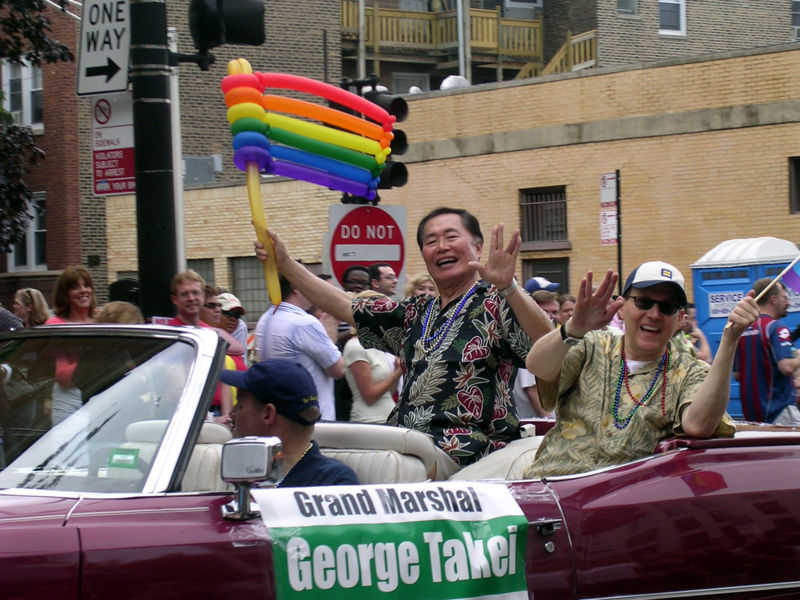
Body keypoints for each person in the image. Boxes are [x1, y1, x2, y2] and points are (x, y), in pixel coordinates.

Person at [256, 207, 553, 466]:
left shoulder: (499, 301)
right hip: (405, 443)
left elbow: (549, 344)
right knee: (321, 448)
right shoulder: (415, 312)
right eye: (431, 241)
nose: (441, 247)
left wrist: (509, 288)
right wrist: (287, 265)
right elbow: (347, 305)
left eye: (451, 237)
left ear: (478, 248)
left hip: (471, 451)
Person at [524, 262, 759, 478]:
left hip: (613, 503)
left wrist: (729, 340)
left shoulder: (689, 371)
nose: (654, 314)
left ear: (679, 319)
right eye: (643, 302)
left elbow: (698, 425)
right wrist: (573, 327)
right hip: (546, 488)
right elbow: (537, 366)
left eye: (667, 307)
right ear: (622, 308)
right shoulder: (590, 345)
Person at [222, 359, 359, 487]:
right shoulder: (241, 471)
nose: (232, 413)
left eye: (240, 405)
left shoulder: (333, 483)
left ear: (268, 415)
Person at [255, 275, 345, 421]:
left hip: (282, 415)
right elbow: (338, 370)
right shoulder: (304, 323)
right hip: (313, 419)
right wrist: (330, 333)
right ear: (295, 286)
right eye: (307, 281)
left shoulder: (265, 319)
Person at [734, 279, 800, 426]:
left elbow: (737, 374)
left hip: (752, 417)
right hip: (780, 412)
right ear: (773, 299)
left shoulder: (741, 330)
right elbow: (786, 366)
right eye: (784, 297)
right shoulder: (776, 327)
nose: (788, 303)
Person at [44, 266, 98, 426]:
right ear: (64, 294)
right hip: (67, 397)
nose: (83, 291)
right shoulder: (55, 325)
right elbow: (62, 376)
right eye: (75, 287)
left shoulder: (103, 320)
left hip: (100, 394)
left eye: (86, 285)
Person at [342, 291, 404, 424]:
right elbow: (369, 396)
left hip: (387, 417)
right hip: (369, 421)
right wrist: (398, 372)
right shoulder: (355, 347)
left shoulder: (377, 345)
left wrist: (397, 370)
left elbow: (388, 391)